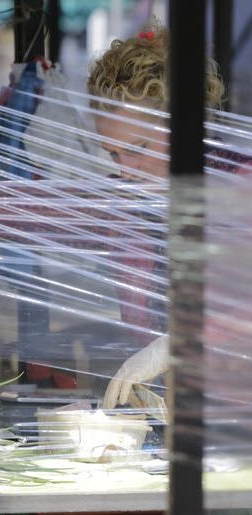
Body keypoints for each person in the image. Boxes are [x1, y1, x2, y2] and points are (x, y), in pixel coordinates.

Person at [88, 23, 252, 409]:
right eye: (113, 154)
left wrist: (175, 343)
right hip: (188, 420)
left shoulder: (241, 185)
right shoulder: (125, 207)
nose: (126, 169)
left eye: (138, 148)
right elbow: (9, 210)